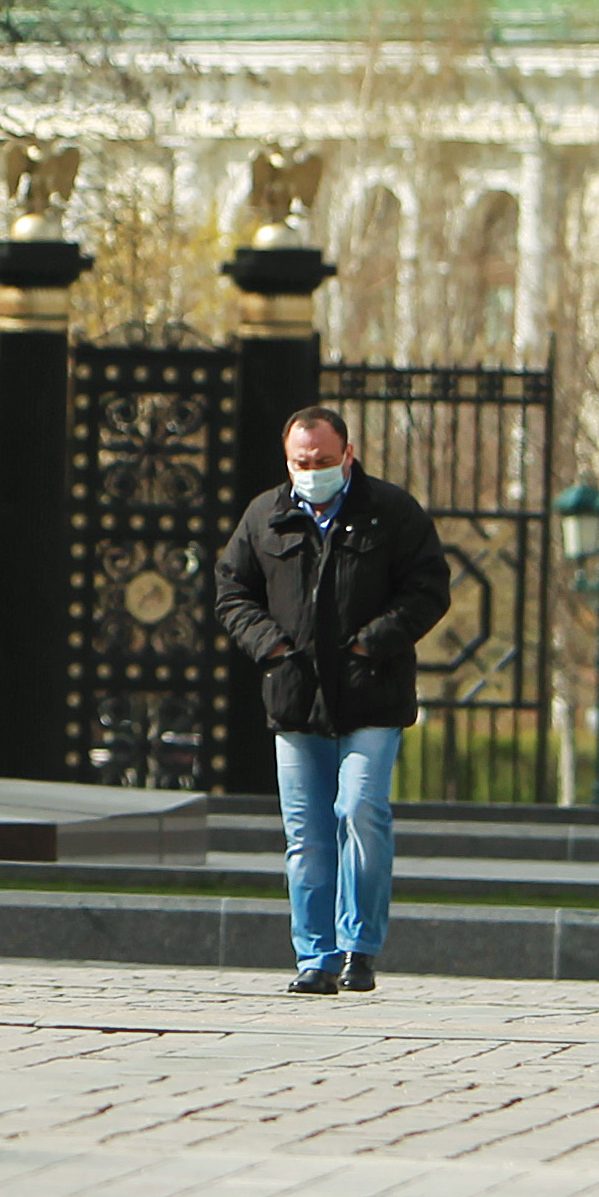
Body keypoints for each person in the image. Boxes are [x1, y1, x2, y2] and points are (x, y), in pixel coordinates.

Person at [212, 402, 454, 997]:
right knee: (306, 833)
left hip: (372, 694)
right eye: (301, 461)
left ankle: (359, 948)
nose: (312, 469)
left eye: (323, 459)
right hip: (296, 699)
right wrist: (268, 645)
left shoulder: (390, 512)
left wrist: (377, 643)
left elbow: (429, 588)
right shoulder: (264, 516)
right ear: (286, 459)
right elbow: (231, 591)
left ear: (348, 454)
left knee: (360, 810)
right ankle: (314, 958)